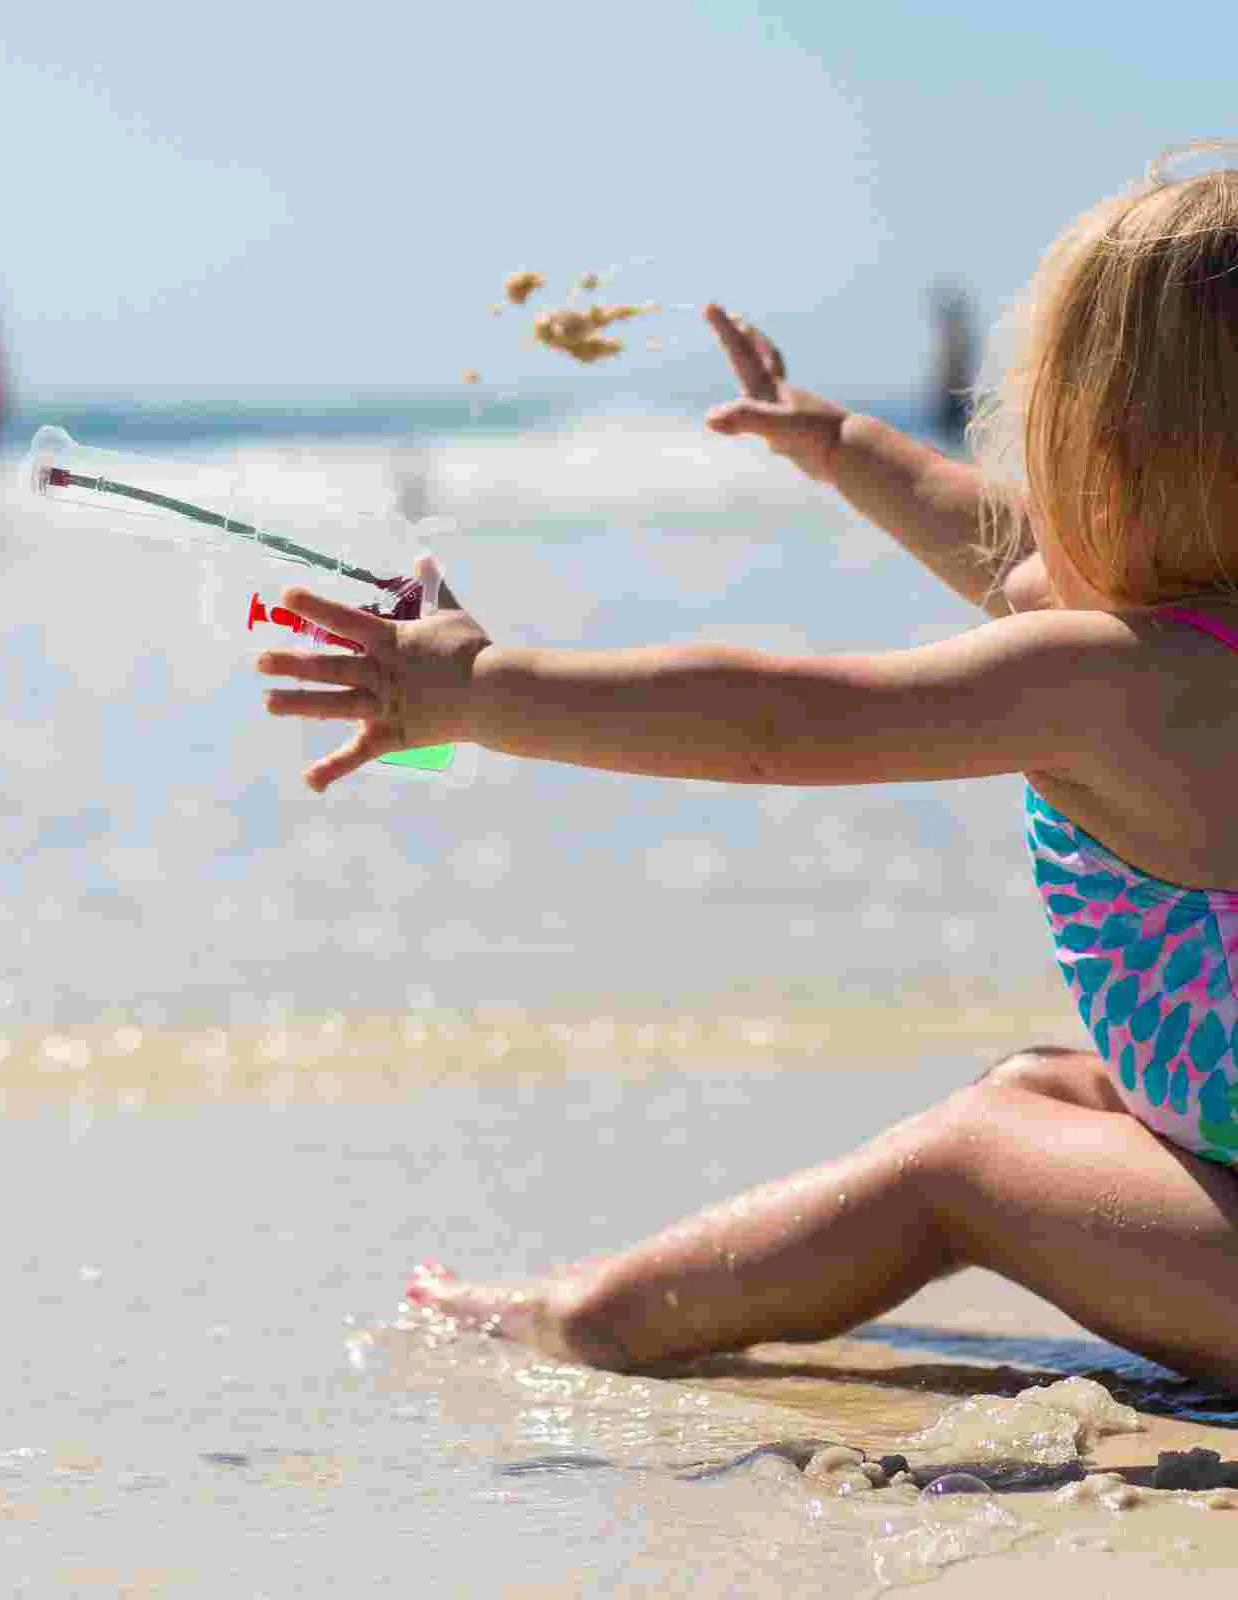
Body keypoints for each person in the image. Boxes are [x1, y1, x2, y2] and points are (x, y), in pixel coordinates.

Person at [254, 145, 1238, 1389]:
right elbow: (1005, 556)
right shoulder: (1181, 654)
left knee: (970, 1156)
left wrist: (482, 690)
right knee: (1043, 1087)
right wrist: (839, 445)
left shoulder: (1110, 684)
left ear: (1094, 444)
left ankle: (590, 1315)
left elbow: (774, 723)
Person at [928, 279, 978, 443]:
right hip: (953, 398)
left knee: (955, 438)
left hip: (957, 398)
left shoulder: (957, 337)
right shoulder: (955, 337)